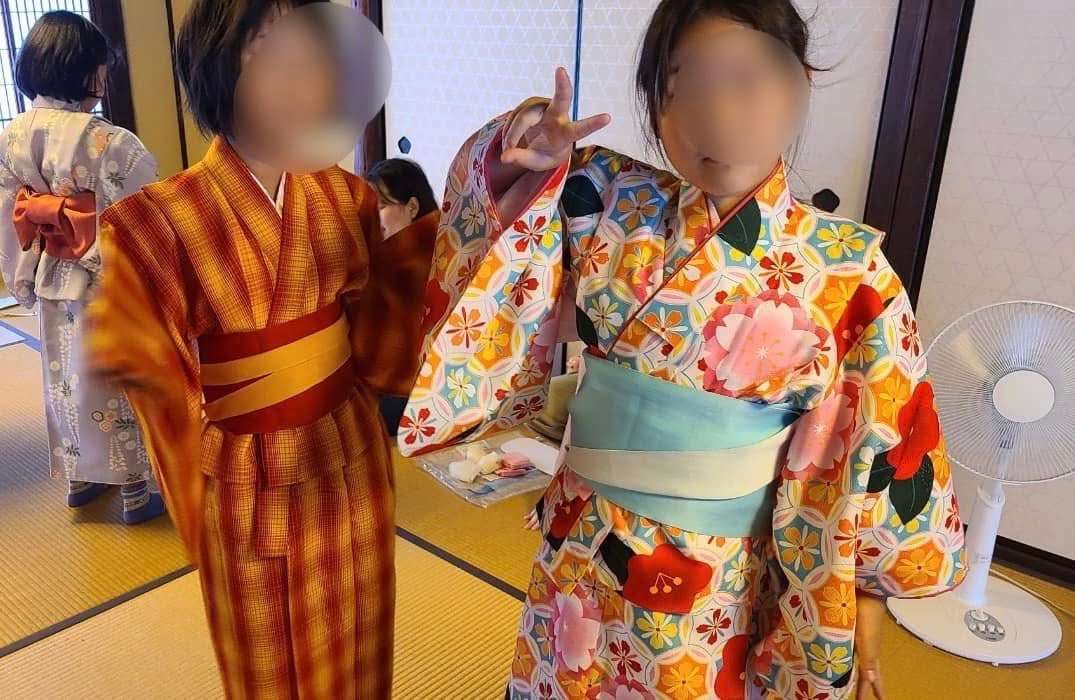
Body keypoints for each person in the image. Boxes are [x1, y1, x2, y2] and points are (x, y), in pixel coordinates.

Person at [399, 1, 967, 698]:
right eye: (683, 86)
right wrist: (524, 157)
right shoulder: (607, 200)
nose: (716, 114)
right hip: (580, 546)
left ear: (799, 84)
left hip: (716, 577)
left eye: (746, 79)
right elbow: (497, 229)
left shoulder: (850, 271)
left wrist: (866, 597)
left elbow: (878, 442)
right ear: (653, 104)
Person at [85, 1, 433, 697]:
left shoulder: (345, 197)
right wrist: (199, 497)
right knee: (268, 665)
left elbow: (384, 333)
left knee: (362, 642)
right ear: (218, 64)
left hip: (350, 458)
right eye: (272, 51)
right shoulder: (155, 221)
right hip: (248, 477)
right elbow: (150, 371)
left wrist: (494, 186)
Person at [0, 11, 163, 523]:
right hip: (107, 279)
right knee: (117, 375)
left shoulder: (11, 135)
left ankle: (80, 478)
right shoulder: (109, 141)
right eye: (102, 68)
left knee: (65, 375)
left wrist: (20, 273)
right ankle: (135, 490)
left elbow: (8, 212)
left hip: (50, 271)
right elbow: (144, 212)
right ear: (86, 70)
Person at [366, 157, 439, 435]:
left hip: (419, 394)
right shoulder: (383, 255)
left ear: (412, 207)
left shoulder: (434, 258)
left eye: (382, 207)